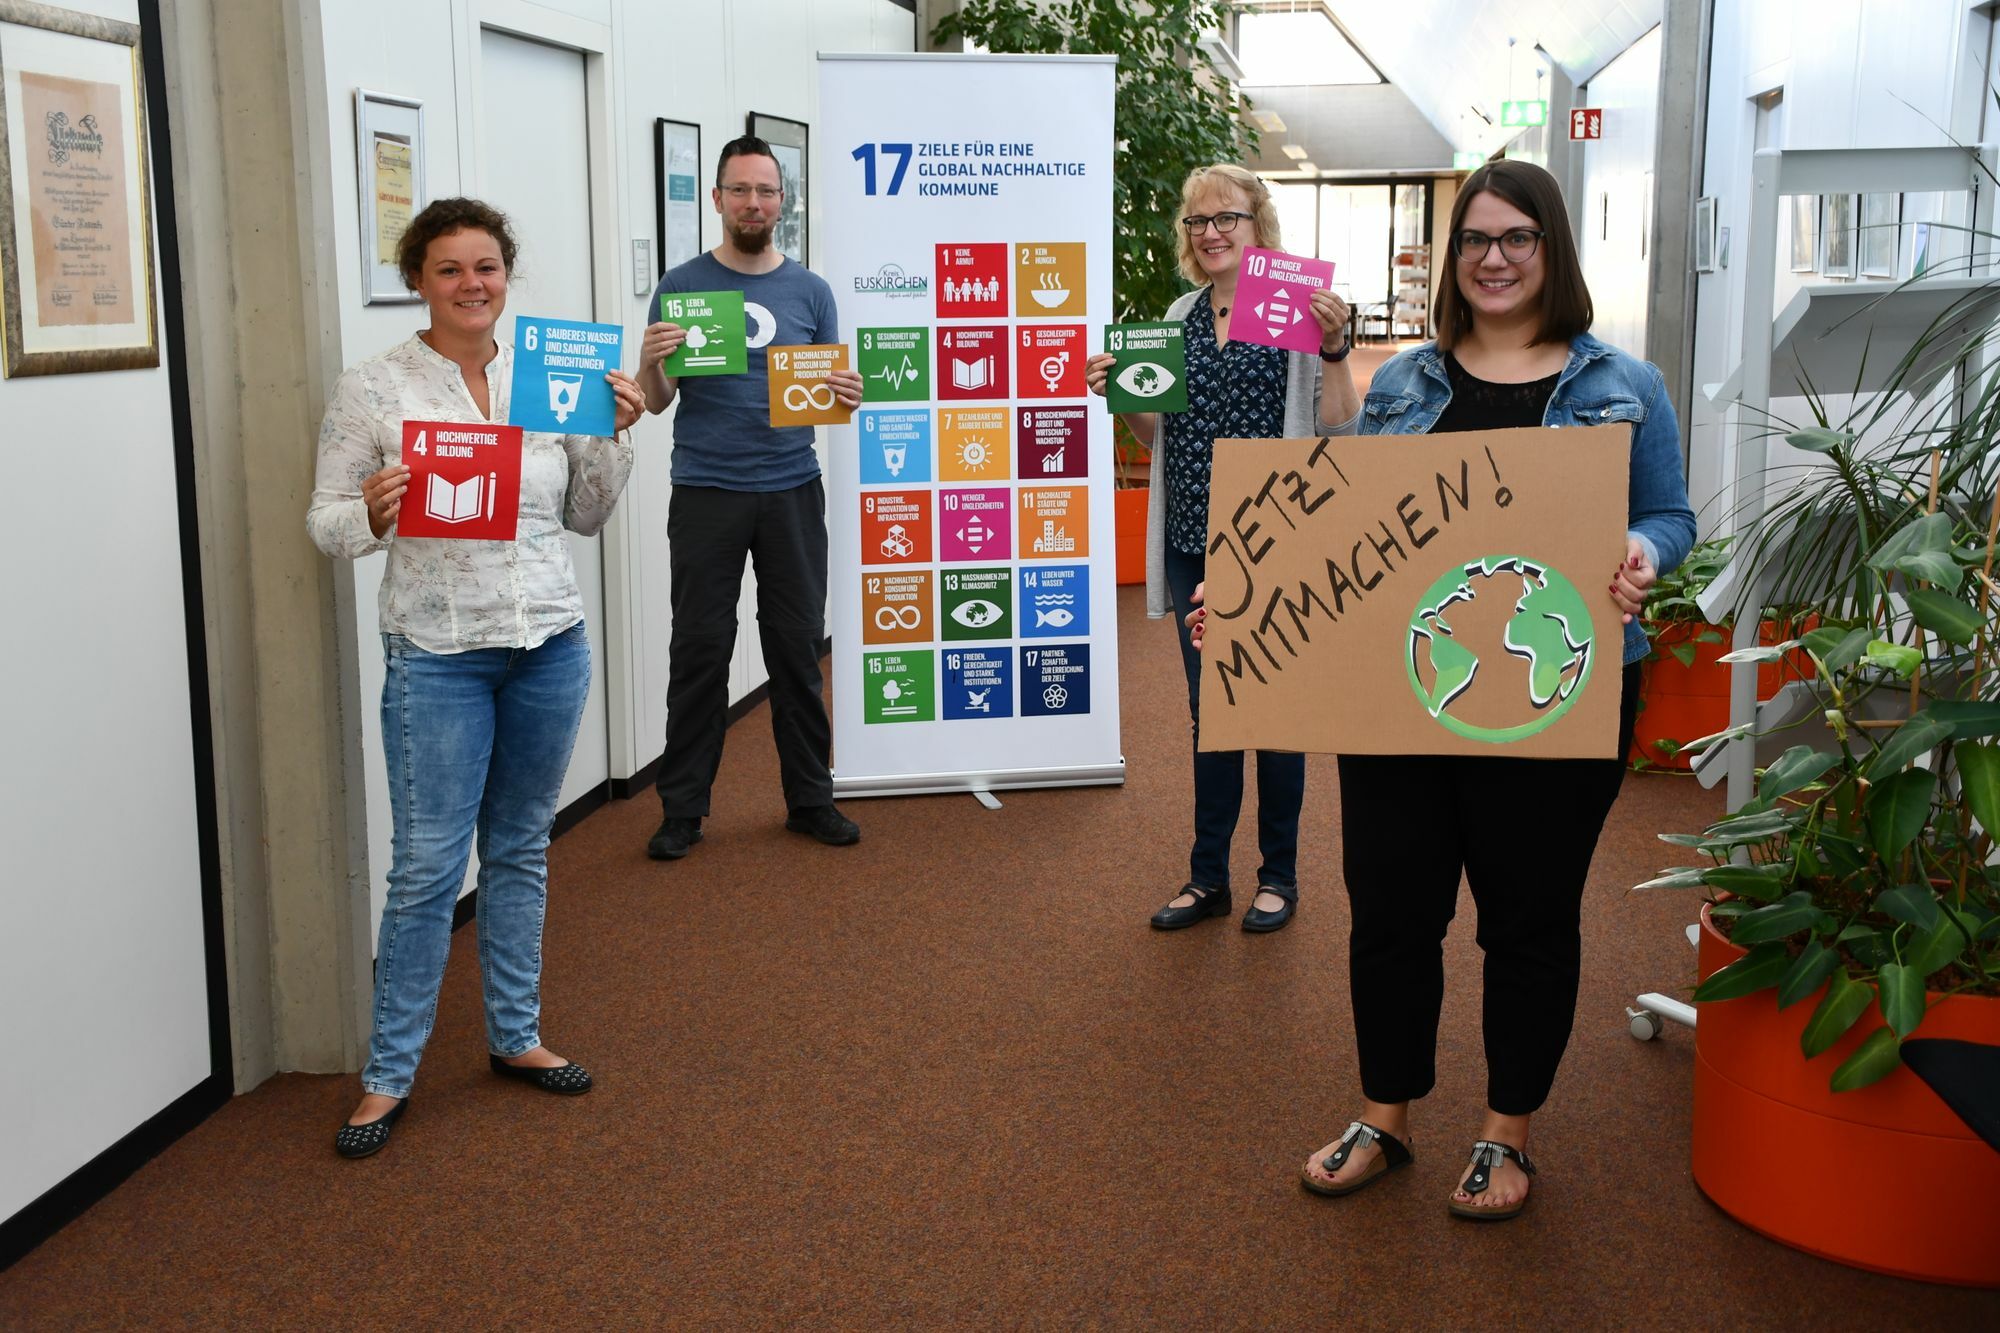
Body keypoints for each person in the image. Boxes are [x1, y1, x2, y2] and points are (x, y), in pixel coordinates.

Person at [1200, 159, 1696, 1217]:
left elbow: (1670, 515)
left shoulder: (1624, 384)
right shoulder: (1403, 384)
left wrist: (1642, 552)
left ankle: (1505, 1131)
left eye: (1516, 237)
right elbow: (1348, 524)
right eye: (1474, 239)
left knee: (1526, 917)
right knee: (1390, 911)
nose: (1493, 258)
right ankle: (1383, 1114)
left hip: (1556, 689)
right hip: (1406, 689)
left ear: (1551, 248)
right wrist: (1245, 602)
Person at [307, 198, 645, 1158]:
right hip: (439, 652)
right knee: (425, 867)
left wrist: (616, 434)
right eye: (450, 268)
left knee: (522, 846)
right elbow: (325, 524)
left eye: (486, 266)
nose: (471, 284)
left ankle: (515, 1035)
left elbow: (585, 514)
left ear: (507, 275)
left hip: (549, 641)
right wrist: (373, 512)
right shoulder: (374, 388)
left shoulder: (550, 374)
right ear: (418, 279)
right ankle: (388, 1075)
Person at [1084, 163, 1358, 933]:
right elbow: (1161, 437)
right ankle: (1209, 877)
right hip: (1192, 540)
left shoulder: (1294, 307)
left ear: (1256, 222)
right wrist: (1123, 395)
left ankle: (1278, 876)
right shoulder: (1177, 316)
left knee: (1275, 709)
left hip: (1276, 541)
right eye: (1198, 220)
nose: (1211, 232)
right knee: (1213, 711)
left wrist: (1336, 348)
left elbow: (1340, 427)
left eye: (1226, 217)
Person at [638, 136, 864, 861]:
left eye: (766, 191)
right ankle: (682, 810)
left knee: (796, 649)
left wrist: (848, 392)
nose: (753, 203)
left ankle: (811, 799)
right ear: (717, 199)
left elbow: (832, 395)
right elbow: (656, 401)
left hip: (792, 487)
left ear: (782, 202)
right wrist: (650, 364)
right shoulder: (681, 285)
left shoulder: (812, 291)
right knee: (699, 649)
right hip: (706, 490)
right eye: (740, 190)